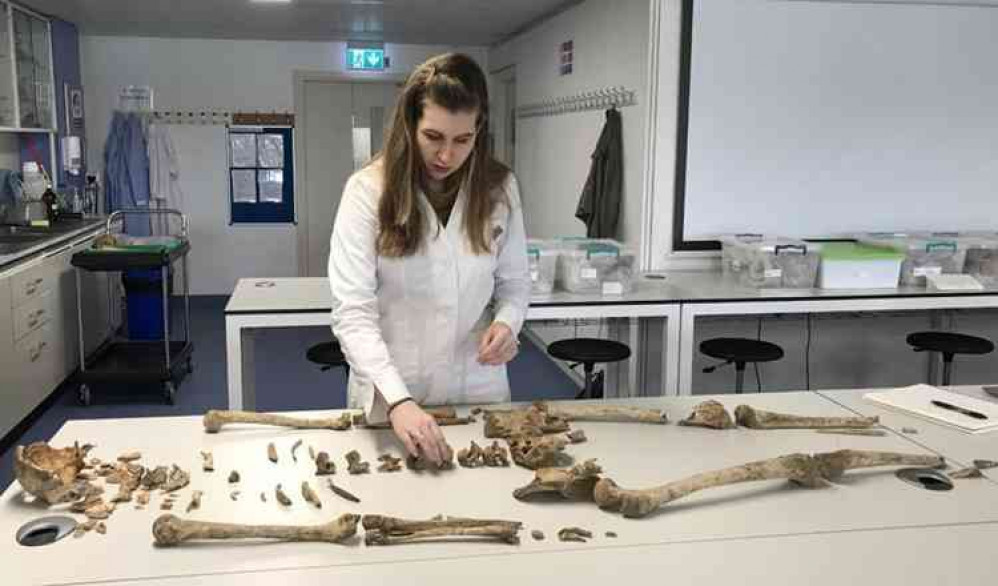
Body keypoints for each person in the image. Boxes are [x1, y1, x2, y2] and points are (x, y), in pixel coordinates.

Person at [328, 53, 530, 465]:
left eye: (462, 140)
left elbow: (515, 283)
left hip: (474, 384)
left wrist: (508, 323)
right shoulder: (368, 191)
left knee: (483, 502)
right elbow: (353, 313)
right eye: (433, 137)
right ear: (409, 126)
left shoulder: (500, 188)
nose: (446, 156)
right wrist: (398, 400)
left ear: (479, 131)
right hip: (393, 389)